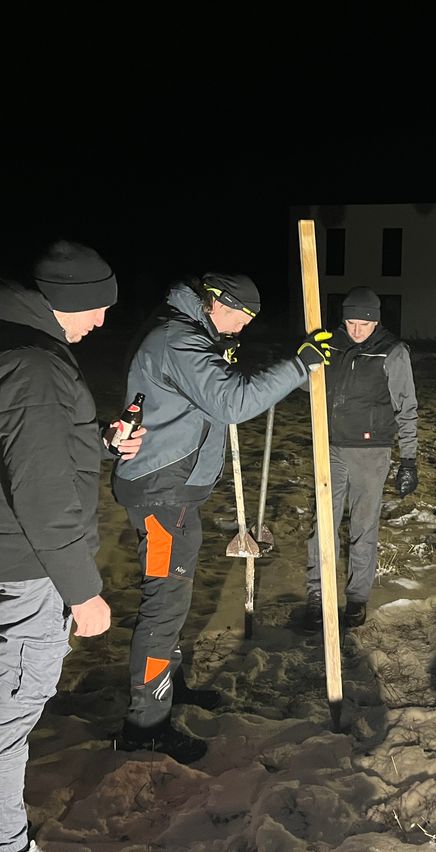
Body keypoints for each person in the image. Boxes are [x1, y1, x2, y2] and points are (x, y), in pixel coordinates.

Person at [111, 272, 331, 763]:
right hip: (160, 494)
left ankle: (169, 687)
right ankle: (145, 724)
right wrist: (299, 365)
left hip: (175, 492)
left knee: (173, 599)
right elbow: (232, 403)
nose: (243, 329)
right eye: (241, 318)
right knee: (163, 605)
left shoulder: (192, 334)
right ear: (217, 303)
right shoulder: (179, 339)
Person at [0, 240, 145, 852]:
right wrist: (83, 592)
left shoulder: (16, 344)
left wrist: (99, 444)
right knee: (9, 722)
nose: (103, 320)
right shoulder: (36, 365)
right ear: (66, 301)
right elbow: (41, 489)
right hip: (29, 569)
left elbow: (30, 451)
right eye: (96, 308)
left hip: (15, 554)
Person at [303, 286, 418, 630]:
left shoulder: (392, 352)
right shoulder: (331, 345)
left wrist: (409, 459)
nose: (356, 331)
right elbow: (310, 387)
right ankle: (317, 595)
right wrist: (304, 359)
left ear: (376, 322)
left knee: (362, 528)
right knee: (322, 524)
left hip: (371, 453)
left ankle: (356, 598)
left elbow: (406, 406)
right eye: (351, 322)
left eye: (363, 325)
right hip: (331, 447)